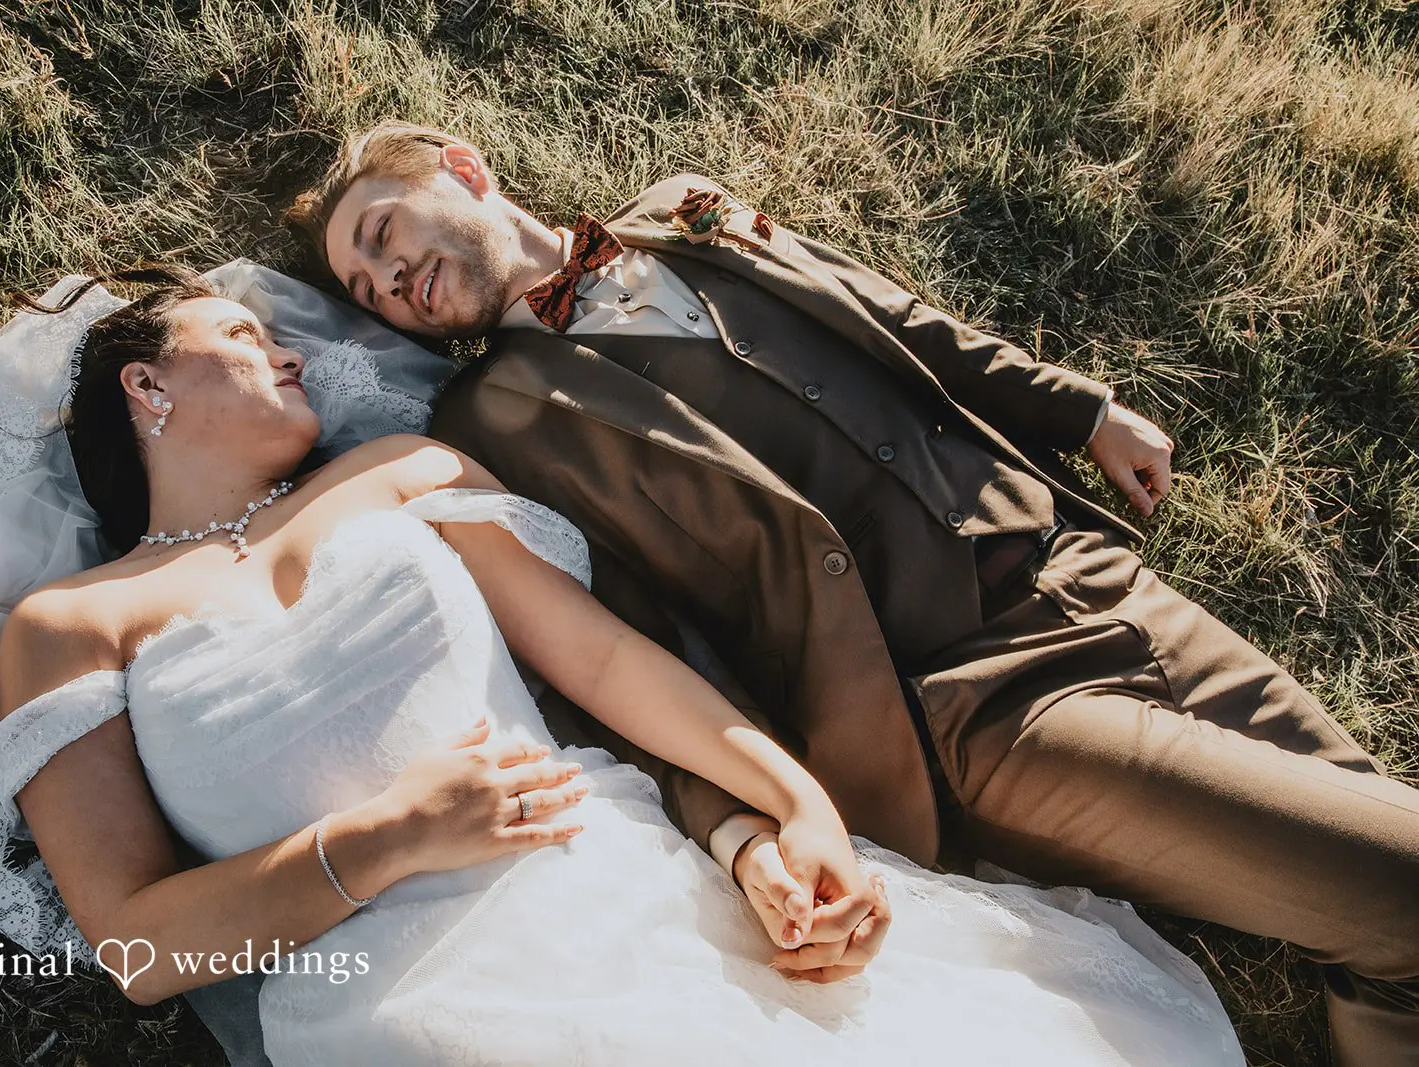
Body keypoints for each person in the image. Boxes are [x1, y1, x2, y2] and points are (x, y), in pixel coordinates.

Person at [285, 120, 1419, 1066]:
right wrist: (738, 828)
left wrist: (1080, 410)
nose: (389, 281)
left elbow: (891, 317)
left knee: (1382, 889)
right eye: (368, 289)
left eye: (381, 233)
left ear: (462, 167)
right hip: (979, 708)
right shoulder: (495, 426)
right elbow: (616, 657)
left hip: (1083, 569)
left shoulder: (685, 208)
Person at [0, 265, 1242, 1065]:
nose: (291, 351)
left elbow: (606, 661)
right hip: (405, 998)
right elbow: (135, 948)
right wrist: (388, 836)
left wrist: (795, 802)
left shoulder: (398, 473)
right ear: (147, 383)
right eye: (244, 335)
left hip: (612, 877)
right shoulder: (69, 623)